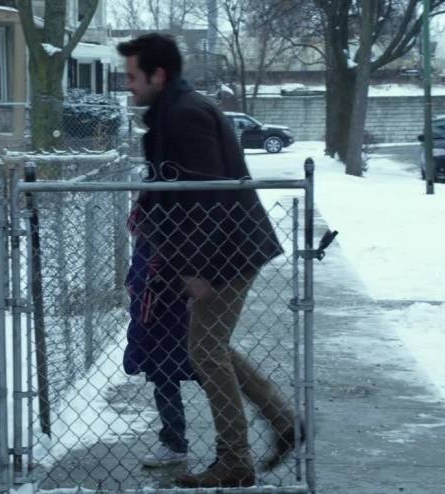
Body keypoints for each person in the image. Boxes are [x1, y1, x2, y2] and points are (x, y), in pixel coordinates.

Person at [117, 33, 297, 488]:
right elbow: (177, 192)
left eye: (133, 76)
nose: (128, 85)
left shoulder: (186, 114)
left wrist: (196, 268)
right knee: (211, 346)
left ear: (158, 75)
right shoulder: (172, 112)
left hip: (226, 254)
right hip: (225, 251)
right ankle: (283, 422)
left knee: (205, 351)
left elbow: (207, 196)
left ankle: (236, 460)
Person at [123, 205, 196, 468]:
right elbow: (141, 263)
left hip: (180, 304)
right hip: (156, 310)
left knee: (210, 370)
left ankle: (232, 443)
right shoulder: (149, 223)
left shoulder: (179, 211)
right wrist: (135, 284)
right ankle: (174, 442)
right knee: (164, 375)